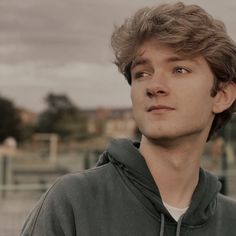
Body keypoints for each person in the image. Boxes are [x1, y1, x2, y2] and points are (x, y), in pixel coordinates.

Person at [21, 2, 236, 235]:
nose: (154, 86)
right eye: (142, 73)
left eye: (179, 70)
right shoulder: (73, 202)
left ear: (222, 96)